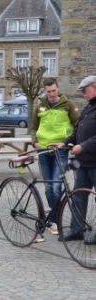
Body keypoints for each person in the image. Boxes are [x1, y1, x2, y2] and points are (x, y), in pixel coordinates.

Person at [49, 75, 96, 243]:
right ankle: (77, 229)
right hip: (83, 162)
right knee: (78, 196)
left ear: (95, 87)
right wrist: (64, 143)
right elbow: (78, 133)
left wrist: (83, 146)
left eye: (85, 90)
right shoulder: (88, 108)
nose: (83, 94)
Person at [31, 77, 79, 235]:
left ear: (58, 88)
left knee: (57, 186)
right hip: (43, 150)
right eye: (48, 91)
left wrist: (69, 143)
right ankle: (53, 221)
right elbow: (33, 127)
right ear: (45, 91)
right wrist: (34, 142)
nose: (51, 94)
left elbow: (77, 125)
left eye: (54, 90)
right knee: (49, 187)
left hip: (60, 150)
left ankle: (54, 219)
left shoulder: (68, 104)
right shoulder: (39, 106)